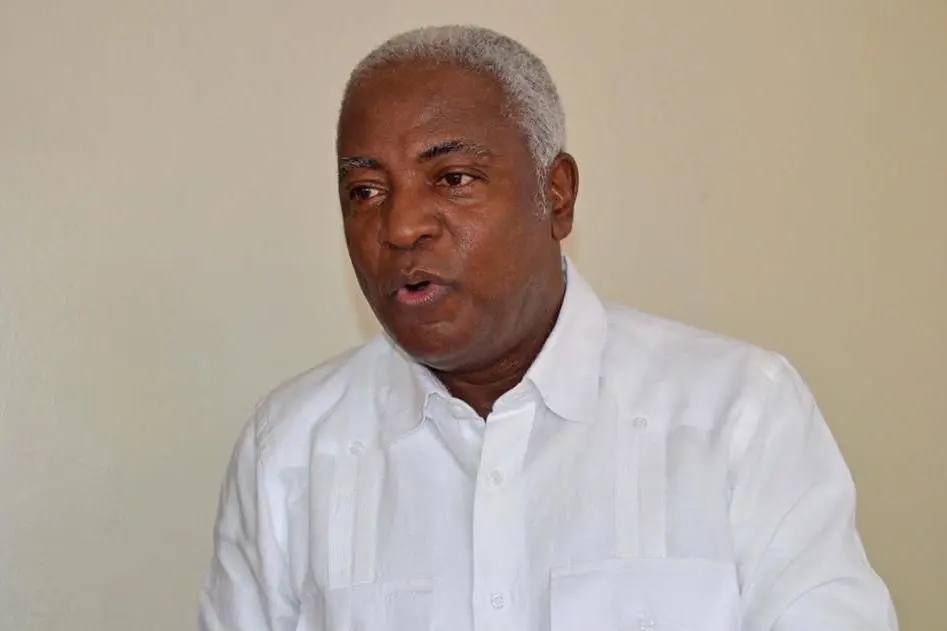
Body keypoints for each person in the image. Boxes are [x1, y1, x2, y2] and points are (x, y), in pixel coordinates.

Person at [199, 25, 897, 631]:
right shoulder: (289, 450)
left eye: (453, 178)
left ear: (555, 195)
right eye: (365, 191)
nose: (401, 225)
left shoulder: (738, 414)